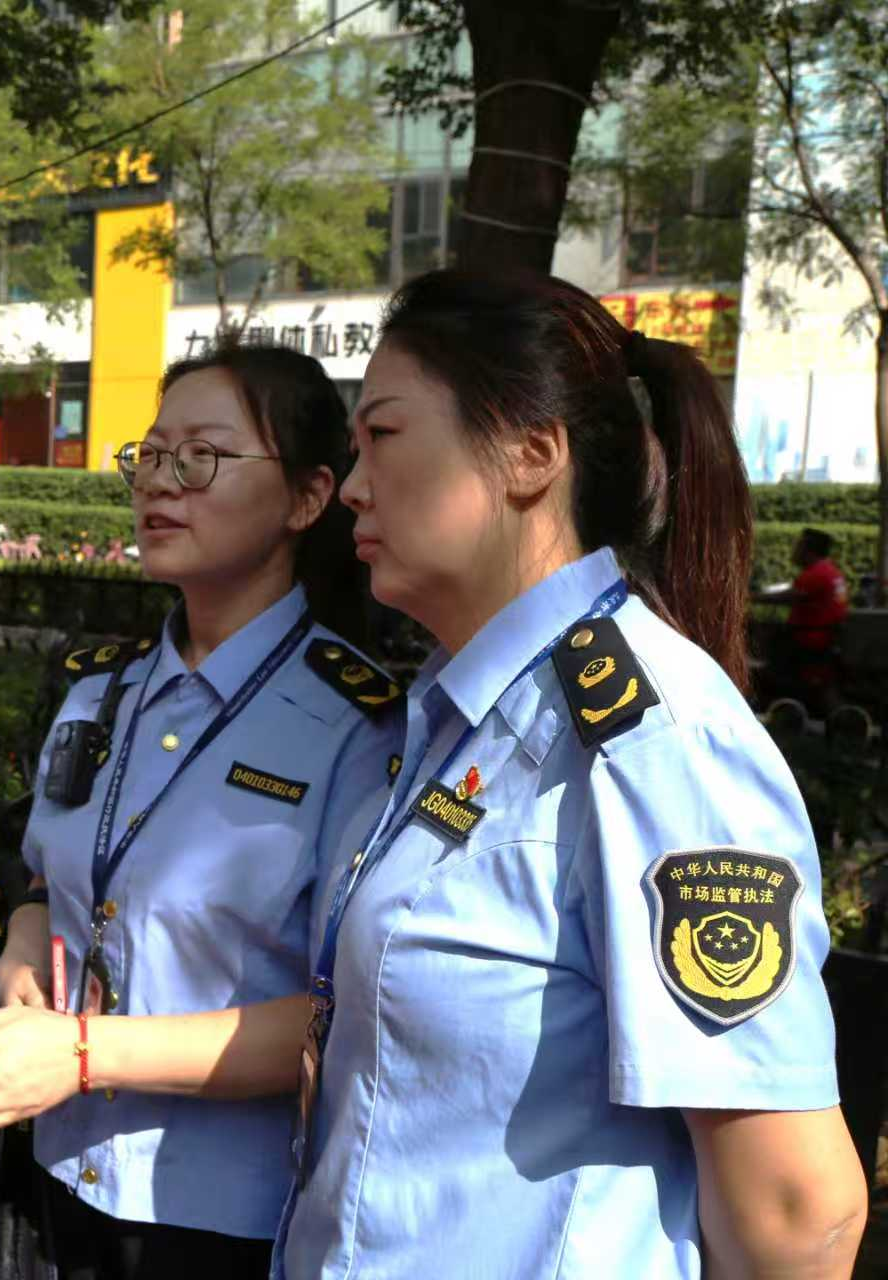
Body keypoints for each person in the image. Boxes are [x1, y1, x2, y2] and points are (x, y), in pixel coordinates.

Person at [278, 270, 867, 1278]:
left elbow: (796, 1208)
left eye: (382, 434)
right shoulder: (465, 713)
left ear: (532, 454)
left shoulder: (654, 741)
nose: (356, 486)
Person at [0, 346, 401, 1277]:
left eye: (202, 459)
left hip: (227, 1212)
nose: (160, 486)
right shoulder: (100, 694)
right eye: (151, 456)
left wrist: (86, 1054)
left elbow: (351, 1011)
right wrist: (22, 938)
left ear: (307, 499)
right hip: (58, 1174)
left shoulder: (359, 727)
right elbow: (44, 870)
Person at [755, 527, 850, 709]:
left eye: (798, 546)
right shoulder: (831, 571)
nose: (794, 550)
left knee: (763, 654)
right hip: (825, 637)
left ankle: (768, 707)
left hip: (809, 639)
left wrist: (749, 597)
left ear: (809, 550)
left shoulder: (816, 574)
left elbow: (789, 597)